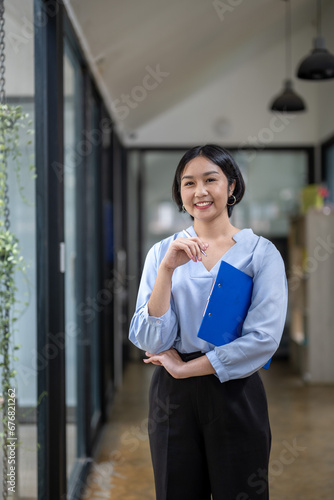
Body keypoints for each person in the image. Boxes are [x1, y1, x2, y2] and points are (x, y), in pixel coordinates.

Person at [129, 145, 287, 500]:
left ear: (231, 186)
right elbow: (150, 338)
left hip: (234, 388)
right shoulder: (162, 253)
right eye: (188, 183)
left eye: (210, 179)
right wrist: (168, 270)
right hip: (172, 396)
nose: (199, 191)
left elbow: (263, 339)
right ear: (180, 193)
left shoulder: (260, 253)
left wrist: (187, 369)